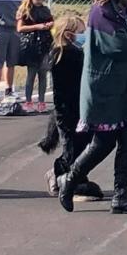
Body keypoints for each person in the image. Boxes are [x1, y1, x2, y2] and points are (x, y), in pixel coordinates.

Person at [57, 0, 127, 215]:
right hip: (106, 88)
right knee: (104, 141)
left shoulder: (125, 9)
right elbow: (119, 45)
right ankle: (70, 179)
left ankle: (121, 195)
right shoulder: (100, 12)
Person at [38, 14, 103, 201]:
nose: (84, 36)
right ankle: (58, 174)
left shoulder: (76, 53)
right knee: (72, 149)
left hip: (81, 109)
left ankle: (74, 177)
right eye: (81, 33)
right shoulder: (64, 54)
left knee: (83, 146)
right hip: (68, 112)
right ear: (68, 35)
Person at [16, 0, 54, 113]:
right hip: (31, 44)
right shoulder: (26, 10)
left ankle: (42, 102)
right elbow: (20, 28)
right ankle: (28, 101)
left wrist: (49, 25)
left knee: (43, 72)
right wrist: (37, 26)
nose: (40, 0)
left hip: (44, 43)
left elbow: (51, 22)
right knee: (31, 74)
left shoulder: (45, 9)